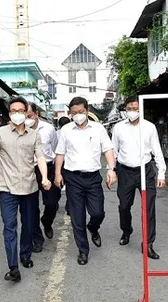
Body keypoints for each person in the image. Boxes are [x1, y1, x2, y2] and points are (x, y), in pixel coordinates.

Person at [0, 96, 52, 282]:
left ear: (26, 112)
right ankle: (13, 266)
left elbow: (40, 157)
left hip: (30, 187)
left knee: (28, 225)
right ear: (9, 114)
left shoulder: (34, 134)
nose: (17, 114)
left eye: (21, 111)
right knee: (9, 226)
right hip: (6, 188)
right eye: (13, 111)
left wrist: (45, 177)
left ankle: (25, 255)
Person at [55, 96, 117, 266]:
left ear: (87, 111)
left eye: (80, 112)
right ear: (70, 113)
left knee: (98, 213)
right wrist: (57, 174)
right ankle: (83, 250)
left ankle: (94, 228)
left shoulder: (98, 129)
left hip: (93, 177)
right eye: (73, 113)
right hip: (73, 178)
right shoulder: (66, 130)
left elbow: (108, 150)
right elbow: (60, 153)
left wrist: (112, 169)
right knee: (77, 216)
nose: (77, 115)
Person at [112, 95, 166, 260]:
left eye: (136, 109)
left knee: (148, 208)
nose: (132, 112)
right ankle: (126, 230)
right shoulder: (118, 128)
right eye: (130, 109)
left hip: (146, 171)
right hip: (125, 171)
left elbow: (157, 149)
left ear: (140, 110)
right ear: (125, 110)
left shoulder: (149, 127)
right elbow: (113, 150)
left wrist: (161, 172)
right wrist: (111, 170)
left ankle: (148, 244)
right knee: (124, 206)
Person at [26, 102, 60, 253]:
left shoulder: (48, 129)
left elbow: (55, 148)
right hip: (28, 170)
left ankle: (47, 222)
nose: (26, 119)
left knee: (52, 203)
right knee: (31, 207)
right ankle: (37, 239)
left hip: (48, 167)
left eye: (29, 116)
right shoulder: (20, 130)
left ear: (36, 114)